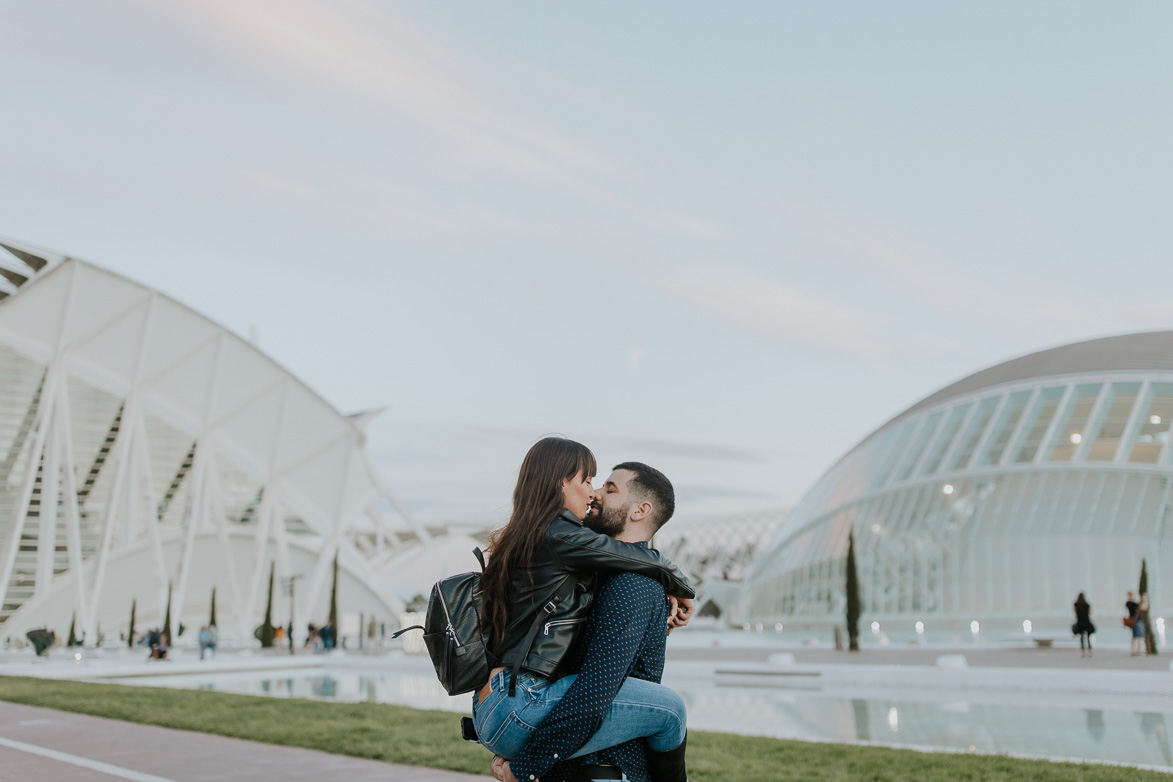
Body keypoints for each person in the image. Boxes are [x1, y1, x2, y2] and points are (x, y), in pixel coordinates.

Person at [473, 438, 695, 782]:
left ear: (640, 510)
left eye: (608, 486)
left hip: (501, 708)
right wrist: (527, 768)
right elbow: (594, 693)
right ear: (562, 483)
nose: (595, 494)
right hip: (566, 741)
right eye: (589, 481)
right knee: (673, 710)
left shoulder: (592, 571)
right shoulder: (579, 550)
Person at [1073, 593, 1095, 657]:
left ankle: (1083, 651)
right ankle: (1090, 650)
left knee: (1082, 638)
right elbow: (1089, 612)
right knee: (1088, 637)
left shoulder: (1076, 604)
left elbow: (1075, 612)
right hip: (1086, 622)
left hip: (1080, 622)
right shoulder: (1087, 604)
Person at [1127, 591, 1144, 656]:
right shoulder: (1129, 603)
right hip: (1136, 620)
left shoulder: (1131, 603)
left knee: (1137, 636)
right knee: (1138, 636)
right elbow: (1138, 606)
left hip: (1135, 620)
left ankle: (1136, 650)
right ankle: (1137, 650)